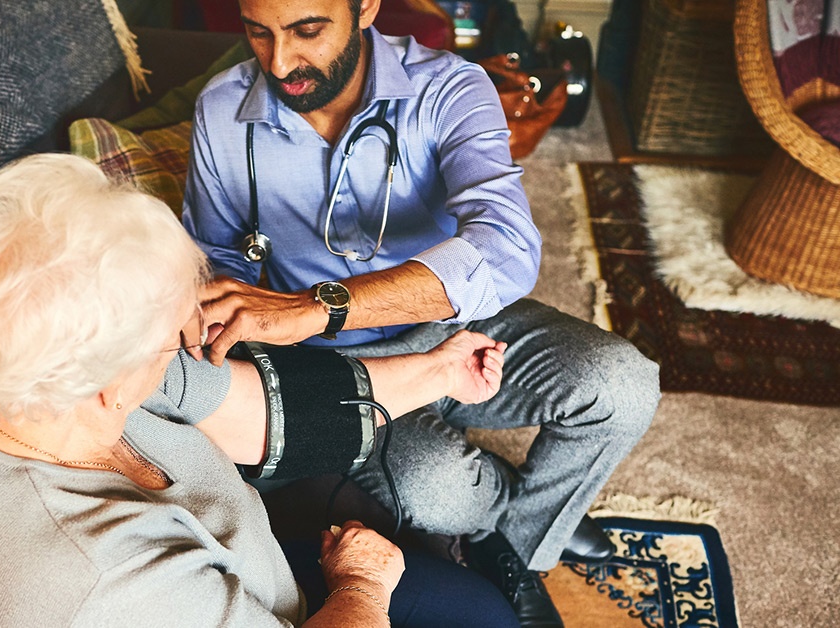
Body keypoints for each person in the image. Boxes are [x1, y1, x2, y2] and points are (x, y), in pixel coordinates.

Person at [180, 0, 662, 625]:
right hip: (333, 365)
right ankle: (519, 528)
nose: (280, 61)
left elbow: (508, 248)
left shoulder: (451, 88)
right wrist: (232, 306)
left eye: (307, 31)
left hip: (456, 329)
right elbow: (219, 256)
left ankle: (520, 543)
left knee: (623, 384)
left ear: (366, 8)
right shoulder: (222, 110)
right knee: (438, 491)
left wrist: (317, 306)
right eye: (258, 32)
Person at [0, 153, 522, 626]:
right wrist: (360, 588)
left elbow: (260, 415)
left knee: (479, 606)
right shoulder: (101, 580)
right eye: (178, 329)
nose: (200, 329)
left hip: (254, 582)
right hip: (266, 601)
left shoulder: (24, 359)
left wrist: (439, 369)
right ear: (113, 385)